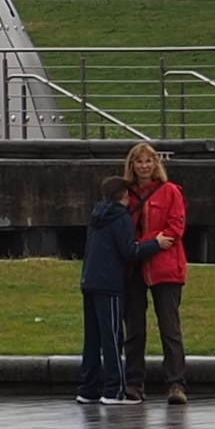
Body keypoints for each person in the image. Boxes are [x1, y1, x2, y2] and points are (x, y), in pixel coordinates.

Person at [125, 140, 195, 403]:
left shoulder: (170, 192)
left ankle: (176, 383)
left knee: (169, 327)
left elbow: (175, 229)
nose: (144, 166)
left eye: (148, 161)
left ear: (156, 164)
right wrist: (151, 243)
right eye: (139, 161)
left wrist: (142, 245)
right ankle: (133, 383)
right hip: (134, 268)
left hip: (165, 267)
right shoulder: (127, 194)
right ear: (132, 165)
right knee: (134, 328)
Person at [76, 172, 141, 407]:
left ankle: (88, 388)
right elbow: (129, 251)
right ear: (124, 195)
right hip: (109, 284)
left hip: (89, 281)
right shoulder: (121, 218)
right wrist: (156, 244)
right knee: (112, 337)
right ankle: (114, 390)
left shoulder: (97, 215)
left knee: (92, 338)